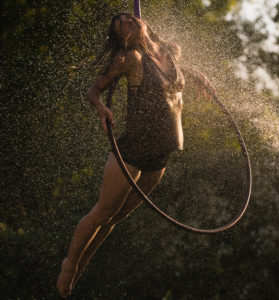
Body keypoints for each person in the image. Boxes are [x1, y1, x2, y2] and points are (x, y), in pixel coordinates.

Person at [57, 12, 214, 298]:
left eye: (130, 18)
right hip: (132, 152)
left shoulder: (168, 51)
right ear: (123, 39)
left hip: (161, 155)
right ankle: (69, 265)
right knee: (102, 213)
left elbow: (176, 71)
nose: (128, 22)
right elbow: (94, 90)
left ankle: (82, 265)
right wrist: (101, 108)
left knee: (115, 218)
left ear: (142, 22)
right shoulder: (131, 59)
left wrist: (199, 76)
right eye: (121, 26)